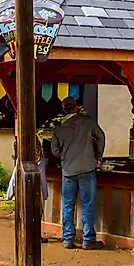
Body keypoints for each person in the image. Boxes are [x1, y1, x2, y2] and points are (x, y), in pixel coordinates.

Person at [51, 96, 106, 250]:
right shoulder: (88, 122)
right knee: (88, 203)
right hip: (87, 168)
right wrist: (98, 156)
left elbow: (54, 151)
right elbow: (101, 137)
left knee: (68, 205)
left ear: (63, 109)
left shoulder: (59, 129)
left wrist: (65, 156)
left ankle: (68, 239)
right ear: (76, 107)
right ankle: (88, 240)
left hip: (68, 170)